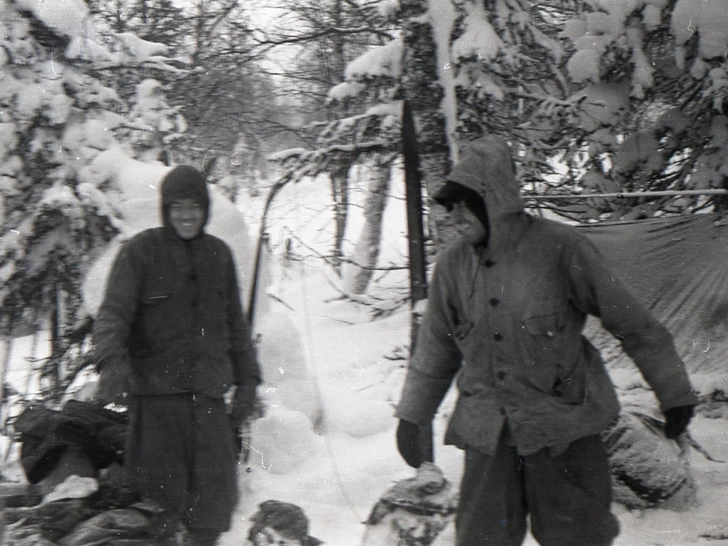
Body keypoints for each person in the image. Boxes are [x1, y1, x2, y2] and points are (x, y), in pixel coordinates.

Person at [394, 136, 699, 546]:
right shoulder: (452, 266)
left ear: (493, 200)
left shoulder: (560, 247)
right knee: (480, 539)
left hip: (564, 429)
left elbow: (634, 324)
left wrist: (674, 392)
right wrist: (413, 415)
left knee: (579, 538)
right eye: (447, 206)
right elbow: (435, 349)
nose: (453, 215)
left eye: (462, 203)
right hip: (489, 433)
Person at [93, 165, 261, 546]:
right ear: (165, 209)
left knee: (211, 511)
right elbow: (113, 315)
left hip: (208, 404)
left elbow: (236, 326)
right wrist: (111, 365)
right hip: (157, 409)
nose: (186, 215)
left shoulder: (219, 255)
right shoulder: (141, 252)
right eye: (177, 207)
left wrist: (248, 380)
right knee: (158, 513)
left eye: (194, 206)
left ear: (205, 208)